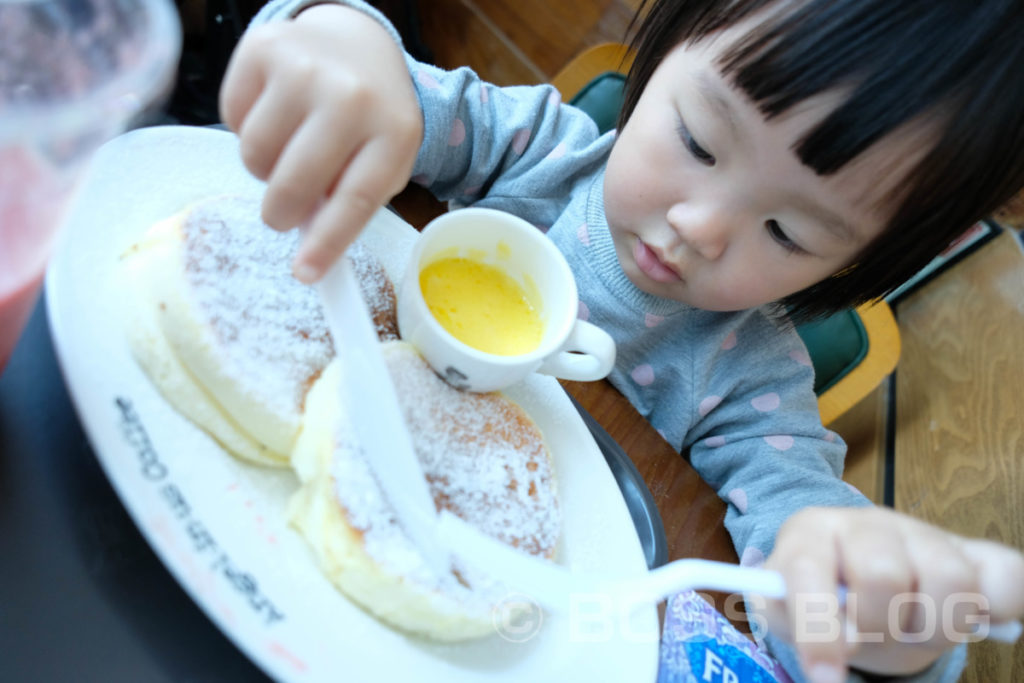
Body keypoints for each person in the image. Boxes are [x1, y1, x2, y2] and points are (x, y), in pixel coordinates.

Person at [218, 1, 1024, 681]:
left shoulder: (751, 383)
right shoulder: (534, 150)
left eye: (786, 231)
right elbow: (379, 83)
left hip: (472, 610)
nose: (699, 226)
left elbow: (800, 548)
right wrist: (338, 43)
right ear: (663, 48)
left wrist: (867, 607)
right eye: (701, 141)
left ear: (854, 267)